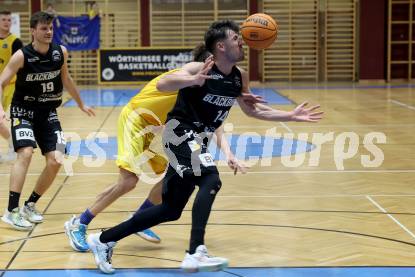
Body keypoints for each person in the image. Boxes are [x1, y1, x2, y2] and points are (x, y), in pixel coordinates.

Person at [87, 19, 323, 274]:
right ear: (220, 46)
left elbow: (253, 110)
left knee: (170, 210)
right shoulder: (199, 67)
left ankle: (102, 240)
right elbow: (162, 85)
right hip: (178, 134)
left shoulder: (238, 76)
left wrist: (290, 115)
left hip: (196, 140)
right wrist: (191, 80)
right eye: (236, 39)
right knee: (211, 178)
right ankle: (195, 251)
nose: (242, 41)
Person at [64, 45, 252, 252]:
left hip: (158, 129)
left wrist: (228, 153)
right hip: (136, 120)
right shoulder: (185, 78)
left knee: (174, 174)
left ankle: (139, 219)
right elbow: (164, 85)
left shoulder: (208, 87)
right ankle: (79, 223)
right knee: (128, 181)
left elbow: (215, 124)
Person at [0, 11, 95, 230]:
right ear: (33, 31)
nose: (48, 32)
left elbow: (66, 78)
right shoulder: (21, 56)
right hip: (23, 111)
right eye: (43, 28)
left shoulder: (60, 52)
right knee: (25, 153)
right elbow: (1, 82)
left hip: (49, 113)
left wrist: (81, 103)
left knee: (57, 160)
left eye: (50, 28)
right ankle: (11, 211)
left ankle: (30, 205)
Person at [0, 10, 23, 162]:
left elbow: (21, 66)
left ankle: (15, 147)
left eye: (9, 20)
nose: (7, 22)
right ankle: (12, 145)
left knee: (9, 120)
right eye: (3, 20)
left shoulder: (15, 42)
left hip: (11, 85)